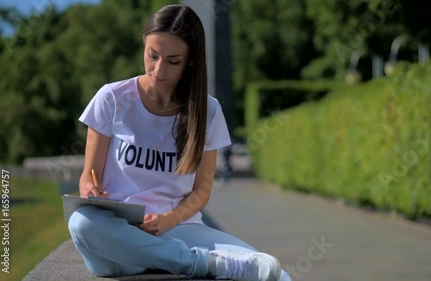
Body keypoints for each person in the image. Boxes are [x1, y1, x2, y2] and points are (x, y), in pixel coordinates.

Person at [67, 4, 291, 281]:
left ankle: (178, 258)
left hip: (180, 229)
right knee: (81, 222)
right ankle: (198, 264)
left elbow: (202, 190)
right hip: (117, 237)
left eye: (173, 61)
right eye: (152, 55)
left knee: (277, 275)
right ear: (144, 46)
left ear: (190, 61)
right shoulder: (112, 98)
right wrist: (90, 190)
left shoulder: (207, 111)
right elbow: (89, 176)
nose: (158, 69)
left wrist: (170, 219)